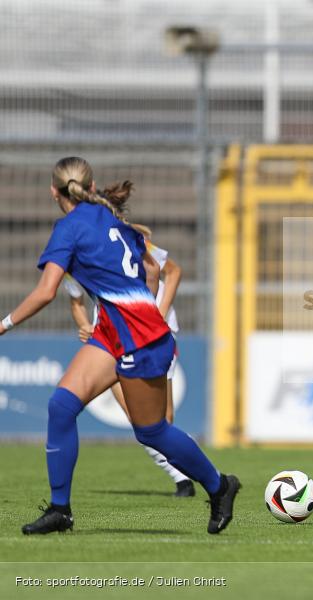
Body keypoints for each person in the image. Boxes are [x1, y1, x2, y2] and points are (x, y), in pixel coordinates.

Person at [1, 157, 239, 535]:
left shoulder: (69, 228)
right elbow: (154, 269)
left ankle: (220, 485)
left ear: (53, 192)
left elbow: (46, 292)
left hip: (139, 337)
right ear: (92, 188)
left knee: (151, 431)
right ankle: (60, 510)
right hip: (118, 331)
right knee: (61, 406)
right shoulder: (110, 217)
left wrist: (4, 324)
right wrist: (143, 306)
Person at [64, 219, 195, 497]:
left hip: (155, 334)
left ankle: (197, 472)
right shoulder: (70, 260)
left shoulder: (131, 240)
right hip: (113, 338)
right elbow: (76, 302)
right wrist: (85, 325)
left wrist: (158, 314)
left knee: (162, 419)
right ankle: (184, 478)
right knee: (139, 418)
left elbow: (172, 271)